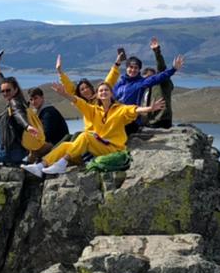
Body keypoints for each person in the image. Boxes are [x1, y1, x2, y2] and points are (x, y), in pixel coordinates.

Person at [22, 79, 164, 177]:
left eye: (106, 90)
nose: (103, 92)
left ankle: (63, 162)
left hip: (113, 149)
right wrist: (64, 93)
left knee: (85, 135)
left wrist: (150, 108)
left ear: (111, 93)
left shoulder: (120, 109)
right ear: (97, 94)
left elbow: (135, 110)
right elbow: (77, 101)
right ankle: (41, 166)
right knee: (66, 144)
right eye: (101, 91)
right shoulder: (93, 110)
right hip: (96, 148)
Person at [58, 50, 122, 103]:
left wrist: (116, 65)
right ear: (79, 93)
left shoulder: (100, 96)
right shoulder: (81, 103)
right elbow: (70, 89)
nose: (85, 90)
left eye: (87, 87)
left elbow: (109, 81)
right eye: (82, 89)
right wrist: (60, 71)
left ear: (91, 88)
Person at [139, 37, 174, 129]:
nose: (149, 81)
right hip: (147, 121)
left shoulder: (161, 83)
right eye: (146, 79)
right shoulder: (144, 88)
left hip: (161, 120)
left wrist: (156, 52)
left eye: (151, 78)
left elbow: (162, 68)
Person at [26, 86, 70, 160]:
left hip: (58, 143)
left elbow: (47, 134)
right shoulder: (38, 113)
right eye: (31, 99)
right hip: (51, 142)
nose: (33, 102)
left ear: (42, 98)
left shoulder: (48, 112)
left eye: (36, 98)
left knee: (34, 150)